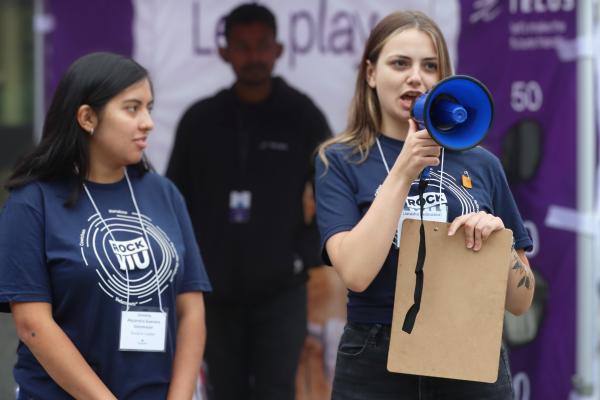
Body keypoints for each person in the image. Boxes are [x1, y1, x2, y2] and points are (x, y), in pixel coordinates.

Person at [315, 11, 535, 400]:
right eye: (400, 63)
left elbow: (520, 301)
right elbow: (356, 274)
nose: (415, 77)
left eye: (429, 66)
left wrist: (498, 244)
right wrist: (402, 173)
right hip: (375, 356)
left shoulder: (483, 164)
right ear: (370, 73)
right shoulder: (340, 160)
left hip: (468, 346)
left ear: (443, 79)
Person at [0, 52, 211, 399]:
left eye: (149, 108)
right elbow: (33, 325)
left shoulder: (164, 193)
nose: (148, 122)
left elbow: (191, 309)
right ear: (87, 117)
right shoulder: (32, 202)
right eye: (132, 108)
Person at [166, 3, 331, 399]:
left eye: (262, 46)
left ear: (277, 49)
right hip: (214, 291)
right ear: (225, 51)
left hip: (281, 292)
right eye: (242, 46)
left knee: (277, 390)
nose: (253, 56)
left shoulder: (302, 115)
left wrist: (304, 253)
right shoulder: (200, 120)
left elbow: (332, 190)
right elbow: (174, 198)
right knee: (224, 391)